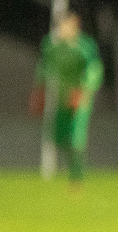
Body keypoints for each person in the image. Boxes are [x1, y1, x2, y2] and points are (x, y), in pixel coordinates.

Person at [30, 12, 103, 185]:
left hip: (79, 97)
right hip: (61, 98)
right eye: (62, 26)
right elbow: (44, 67)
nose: (64, 29)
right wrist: (39, 92)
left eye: (68, 26)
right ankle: (72, 172)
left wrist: (85, 89)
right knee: (57, 137)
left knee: (76, 138)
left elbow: (94, 68)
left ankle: (76, 179)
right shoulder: (52, 46)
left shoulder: (85, 46)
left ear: (75, 27)